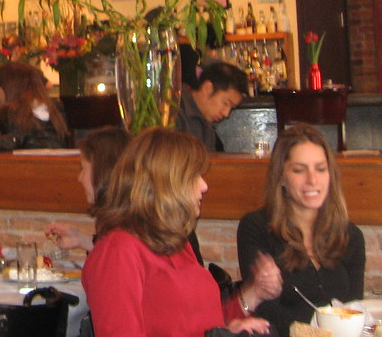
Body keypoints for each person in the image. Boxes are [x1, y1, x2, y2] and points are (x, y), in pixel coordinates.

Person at [84, 127, 270, 337]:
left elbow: (199, 323)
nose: (204, 186)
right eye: (194, 176)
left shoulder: (176, 243)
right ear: (166, 183)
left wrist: (248, 302)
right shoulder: (119, 249)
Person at [237, 124, 365, 337]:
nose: (312, 180)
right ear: (281, 177)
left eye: (320, 169)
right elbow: (265, 313)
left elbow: (353, 311)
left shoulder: (351, 236)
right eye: (299, 170)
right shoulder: (256, 227)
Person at [45, 126, 130, 252]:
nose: (80, 178)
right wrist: (80, 239)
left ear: (102, 173)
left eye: (84, 168)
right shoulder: (122, 223)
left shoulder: (123, 234)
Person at [0, 61, 70, 148]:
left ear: (6, 88)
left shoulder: (10, 113)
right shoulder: (55, 111)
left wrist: (1, 106)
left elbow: (3, 146)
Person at [176, 60, 248, 151]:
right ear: (208, 88)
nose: (226, 114)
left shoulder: (207, 122)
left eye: (231, 108)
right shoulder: (174, 109)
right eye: (226, 103)